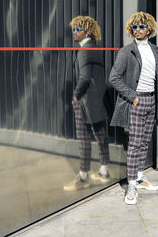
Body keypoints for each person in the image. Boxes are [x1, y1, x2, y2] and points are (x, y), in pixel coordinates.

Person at [109, 11, 158, 205]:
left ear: (148, 28)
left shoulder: (155, 50)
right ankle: (131, 184)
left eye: (141, 26)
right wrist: (132, 97)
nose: (137, 30)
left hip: (152, 101)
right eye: (134, 27)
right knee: (134, 144)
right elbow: (114, 78)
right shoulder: (126, 51)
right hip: (137, 101)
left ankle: (139, 177)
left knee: (144, 142)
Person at [64, 16, 110, 191]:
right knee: (100, 135)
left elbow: (84, 77)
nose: (75, 32)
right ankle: (104, 171)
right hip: (98, 98)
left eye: (78, 29)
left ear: (88, 31)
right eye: (74, 29)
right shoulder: (95, 48)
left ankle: (83, 177)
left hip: (85, 100)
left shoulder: (84, 50)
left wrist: (76, 95)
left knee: (83, 139)